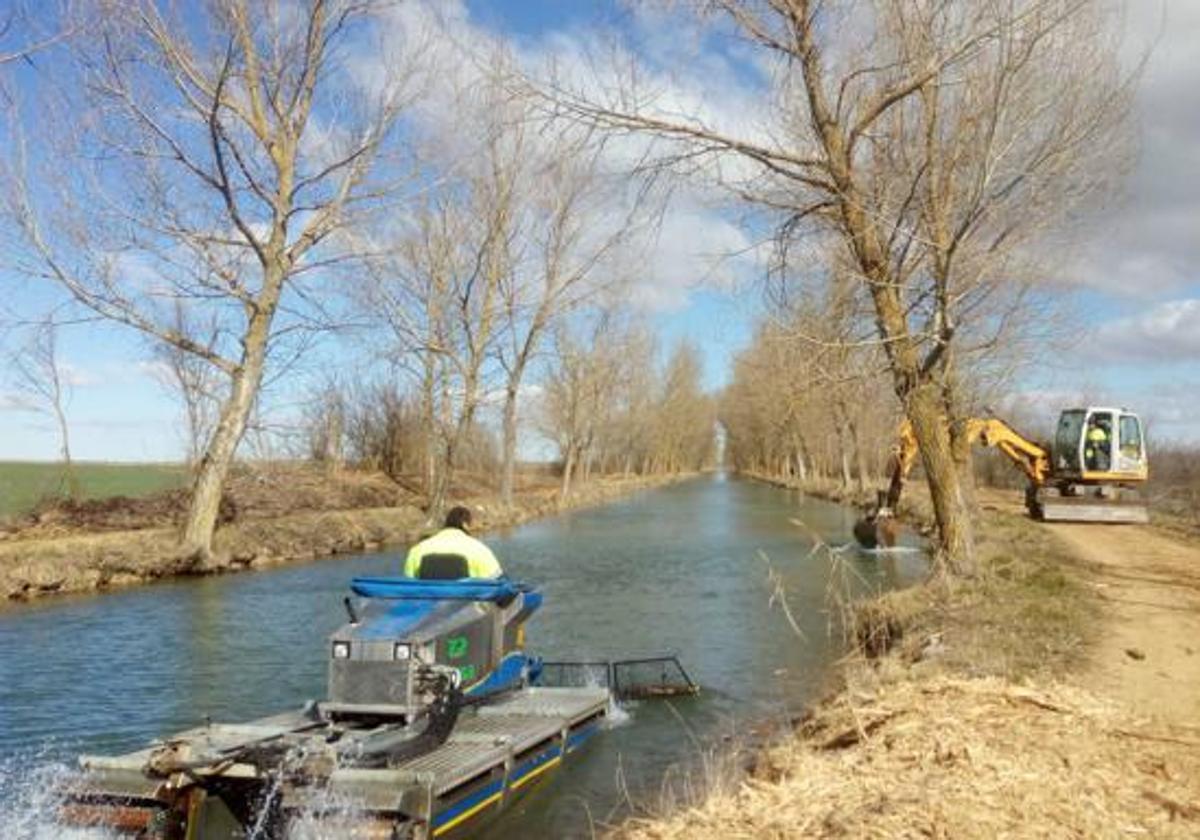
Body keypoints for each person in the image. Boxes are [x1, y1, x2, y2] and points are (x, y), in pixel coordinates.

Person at [403, 506, 503, 580]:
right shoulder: (480, 550)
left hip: (428, 605)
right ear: (465, 525)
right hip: (466, 605)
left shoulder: (417, 550)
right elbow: (497, 581)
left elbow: (409, 585)